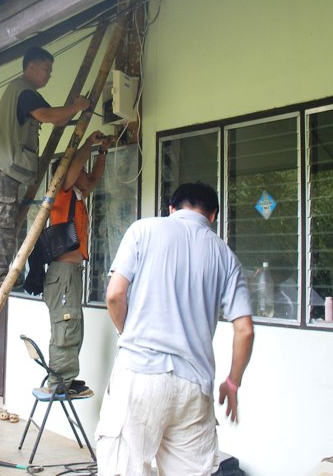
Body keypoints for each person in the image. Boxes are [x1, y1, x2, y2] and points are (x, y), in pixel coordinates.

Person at [96, 182, 254, 476]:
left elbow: (115, 295)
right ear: (213, 215)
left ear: (171, 209)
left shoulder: (143, 230)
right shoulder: (226, 256)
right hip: (194, 387)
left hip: (140, 375)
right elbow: (245, 330)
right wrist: (232, 383)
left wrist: (126, 333)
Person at [0, 46, 91, 294]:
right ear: (31, 67)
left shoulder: (28, 95)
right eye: (46, 69)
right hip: (2, 166)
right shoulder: (23, 91)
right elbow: (48, 115)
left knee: (4, 221)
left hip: (7, 168)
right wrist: (78, 106)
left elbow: (58, 119)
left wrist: (74, 107)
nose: (49, 75)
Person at [43, 130, 113, 399]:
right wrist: (88, 144)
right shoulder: (61, 190)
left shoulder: (77, 196)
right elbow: (74, 168)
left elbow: (93, 180)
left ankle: (65, 378)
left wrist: (103, 151)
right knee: (66, 325)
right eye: (81, 171)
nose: (85, 175)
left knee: (72, 325)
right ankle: (59, 382)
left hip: (70, 273)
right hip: (63, 274)